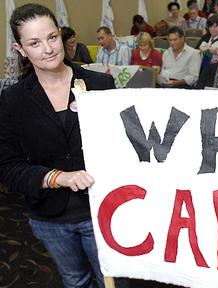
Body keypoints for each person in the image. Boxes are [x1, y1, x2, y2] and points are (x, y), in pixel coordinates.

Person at [0, 4, 115, 288]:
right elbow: (8, 167)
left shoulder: (100, 84)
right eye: (34, 43)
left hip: (102, 210)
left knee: (112, 282)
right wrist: (59, 177)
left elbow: (122, 146)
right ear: (21, 49)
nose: (48, 49)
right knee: (75, 281)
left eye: (52, 37)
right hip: (49, 217)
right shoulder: (13, 100)